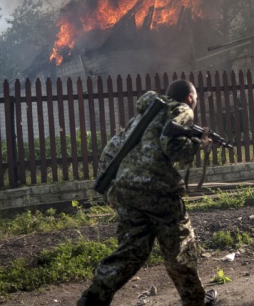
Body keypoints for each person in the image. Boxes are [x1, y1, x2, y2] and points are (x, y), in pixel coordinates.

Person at [77, 79, 218, 306]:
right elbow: (172, 147)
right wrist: (198, 145)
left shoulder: (145, 115)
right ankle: (195, 302)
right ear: (190, 98)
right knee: (180, 248)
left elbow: (111, 149)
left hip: (125, 190)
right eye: (195, 101)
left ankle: (93, 299)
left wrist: (115, 189)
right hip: (158, 192)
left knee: (132, 250)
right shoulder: (181, 109)